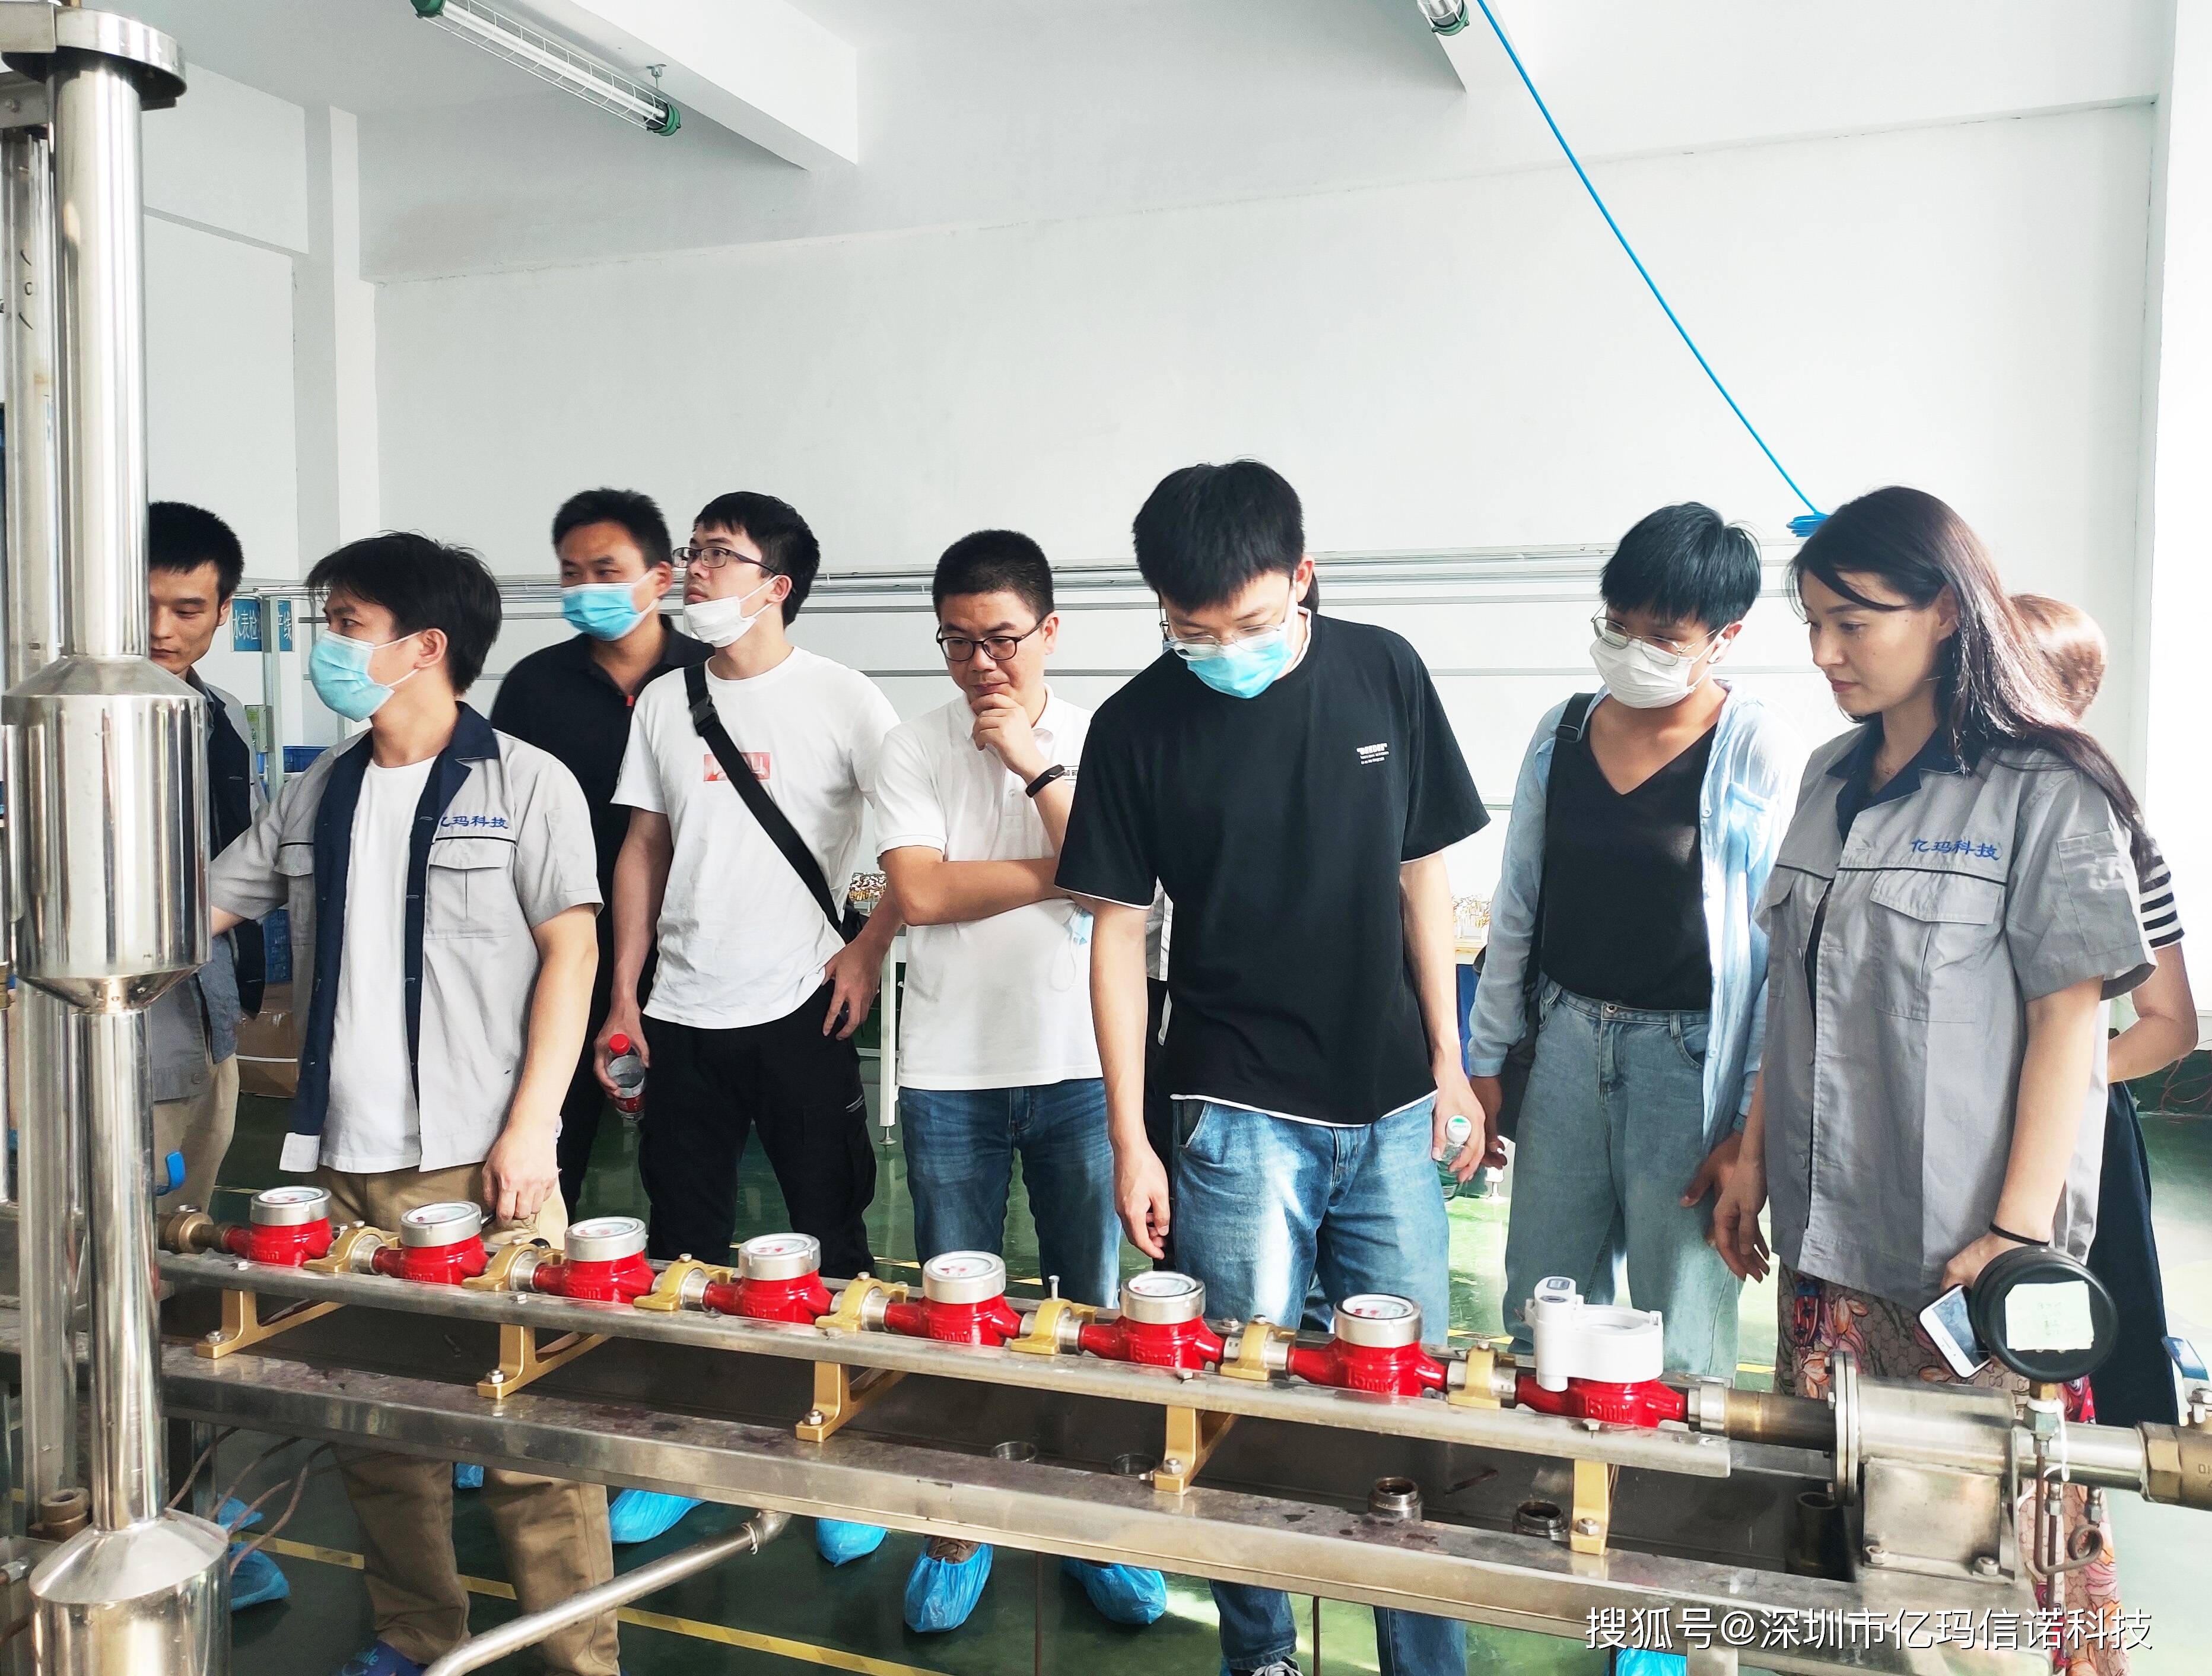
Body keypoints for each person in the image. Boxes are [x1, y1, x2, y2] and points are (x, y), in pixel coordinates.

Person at [1057, 460, 1492, 1676]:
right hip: (1233, 1110)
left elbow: (1421, 872)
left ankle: (1425, 1660)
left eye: (1247, 623)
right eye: (1190, 631)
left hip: (1391, 1101)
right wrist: (1131, 1136)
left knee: (1404, 1398)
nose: (1222, 652)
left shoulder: (1382, 671)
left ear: (1303, 576)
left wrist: (1450, 1060)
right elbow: (1116, 934)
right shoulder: (1136, 724)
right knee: (1241, 1397)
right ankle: (1259, 1649)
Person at [1711, 488, 2153, 1676]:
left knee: (1962, 1589)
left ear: (1948, 611)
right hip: (1830, 1250)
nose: (1825, 651)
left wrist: (2013, 1231)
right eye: (1813, 622)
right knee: (1832, 1550)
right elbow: (1793, 990)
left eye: (1854, 621)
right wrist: (1751, 1156)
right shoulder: (1827, 777)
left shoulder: (2047, 789)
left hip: (1962, 1262)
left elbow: (2069, 1021)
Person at [207, 533, 615, 1676]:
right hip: (344, 1167)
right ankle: (414, 1633)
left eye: (346, 623)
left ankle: (580, 1658)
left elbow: (572, 954)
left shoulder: (526, 782)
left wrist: (531, 1127)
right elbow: (206, 904)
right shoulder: (317, 789)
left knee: (530, 1435)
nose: (328, 644)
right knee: (377, 1427)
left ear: (425, 645)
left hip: (480, 1164)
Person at [834, 529, 1162, 1631]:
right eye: (957, 641)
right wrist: (1069, 869)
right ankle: (957, 1524)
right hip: (950, 1074)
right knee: (955, 1307)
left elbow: (1117, 894)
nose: (980, 663)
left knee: (1090, 1311)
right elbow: (921, 895)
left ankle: (1084, 1525)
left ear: (1049, 631)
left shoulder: (1101, 738)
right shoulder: (912, 746)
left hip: (1080, 1065)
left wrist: (1033, 764)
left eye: (1003, 639)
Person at [598, 492, 902, 1544]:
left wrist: (867, 945)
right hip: (682, 1010)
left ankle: (843, 1462)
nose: (695, 569)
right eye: (693, 550)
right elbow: (644, 847)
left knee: (832, 1235)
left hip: (802, 1005)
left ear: (776, 586)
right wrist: (624, 990)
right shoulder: (663, 701)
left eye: (720, 555)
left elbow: (907, 842)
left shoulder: (844, 698)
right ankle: (691, 1448)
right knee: (683, 1241)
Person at [1467, 503, 1803, 1379]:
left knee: (1679, 1326)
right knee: (1541, 1307)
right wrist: (1487, 1057)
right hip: (1565, 1045)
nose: (1631, 650)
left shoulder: (1754, 748)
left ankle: (1674, 1463)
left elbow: (1776, 960)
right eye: (1617, 625)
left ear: (1724, 638)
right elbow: (1517, 905)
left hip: (1686, 1065)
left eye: (1663, 637)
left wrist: (1748, 1126)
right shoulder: (1563, 733)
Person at [490, 488, 710, 1214]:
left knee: (686, 1158)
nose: (586, 588)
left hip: (689, 953)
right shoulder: (533, 688)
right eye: (571, 572)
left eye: (606, 571)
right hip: (559, 950)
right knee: (551, 1140)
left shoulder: (709, 679)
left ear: (660, 577)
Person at [145, 501, 287, 1611]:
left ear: (225, 610)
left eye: (188, 609)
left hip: (207, 1024)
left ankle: (194, 1504)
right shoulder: (61, 717)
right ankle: (121, 1502)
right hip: (108, 1035)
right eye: (145, 605)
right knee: (108, 1273)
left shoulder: (223, 718)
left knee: (186, 1263)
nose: (163, 628)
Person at [2013, 592, 2194, 1427]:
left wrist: (2068, 1080)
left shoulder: (2109, 825)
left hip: (2081, 1134)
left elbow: (2170, 1025)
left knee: (2075, 1343)